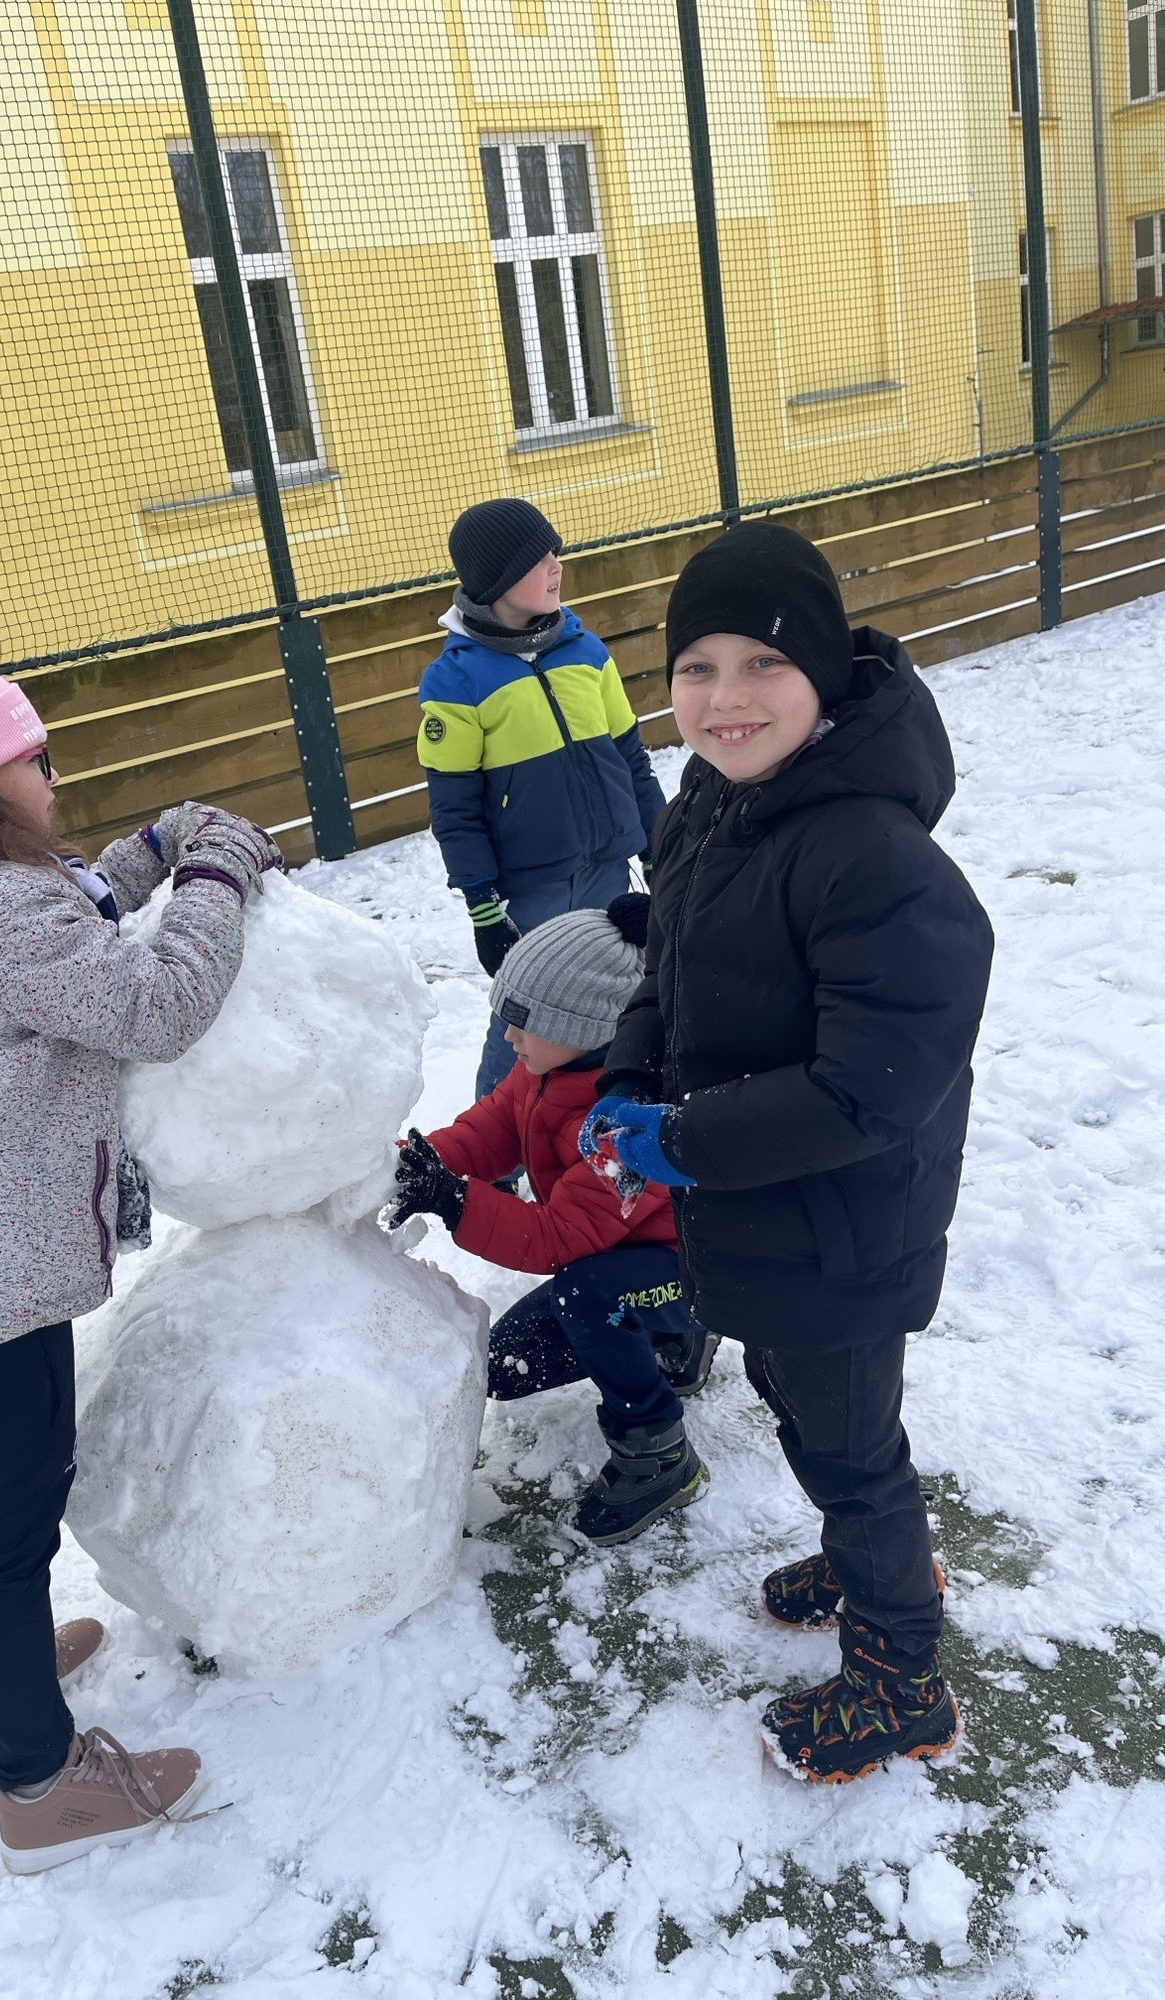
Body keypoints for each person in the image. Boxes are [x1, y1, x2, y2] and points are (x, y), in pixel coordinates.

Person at [0, 617, 282, 1872]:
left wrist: (151, 850)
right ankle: (39, 1781)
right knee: (8, 1524)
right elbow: (157, 1003)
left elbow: (68, 918)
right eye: (34, 757)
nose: (53, 774)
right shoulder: (5, 915)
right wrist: (215, 874)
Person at [580, 522, 993, 1783]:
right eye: (696, 667)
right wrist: (629, 1079)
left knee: (852, 1449)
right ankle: (868, 1558)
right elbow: (668, 970)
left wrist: (685, 1140)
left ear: (821, 671)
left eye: (764, 662)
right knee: (798, 1401)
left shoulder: (874, 855)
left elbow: (872, 1087)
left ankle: (901, 1672)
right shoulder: (713, 804)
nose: (727, 696)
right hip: (759, 1210)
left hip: (844, 1225)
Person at [385, 895, 714, 1545]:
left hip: (702, 1267)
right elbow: (488, 1132)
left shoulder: (632, 1120)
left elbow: (560, 1238)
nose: (508, 1036)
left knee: (588, 1291)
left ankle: (657, 1451)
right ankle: (673, 1341)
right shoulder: (547, 1070)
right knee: (510, 1364)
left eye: (523, 1023)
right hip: (628, 1253)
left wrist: (454, 1202)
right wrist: (409, 1165)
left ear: (590, 1026)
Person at [417, 498, 666, 1099]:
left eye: (557, 553)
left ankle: (599, 1115)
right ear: (497, 579)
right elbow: (455, 810)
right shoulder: (457, 680)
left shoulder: (586, 652)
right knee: (525, 1015)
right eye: (539, 559)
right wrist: (483, 907)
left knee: (613, 997)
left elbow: (631, 760)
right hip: (533, 889)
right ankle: (493, 1137)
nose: (558, 566)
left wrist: (661, 848)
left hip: (609, 869)